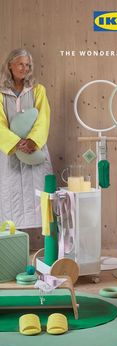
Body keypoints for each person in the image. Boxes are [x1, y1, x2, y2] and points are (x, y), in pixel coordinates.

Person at [0, 48, 52, 231]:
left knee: (38, 196)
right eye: (20, 64)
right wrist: (14, 143)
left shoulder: (38, 90)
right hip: (9, 152)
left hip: (33, 150)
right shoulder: (1, 92)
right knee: (9, 196)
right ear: (10, 65)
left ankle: (45, 241)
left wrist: (32, 141)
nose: (24, 68)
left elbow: (43, 117)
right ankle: (13, 241)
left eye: (28, 65)